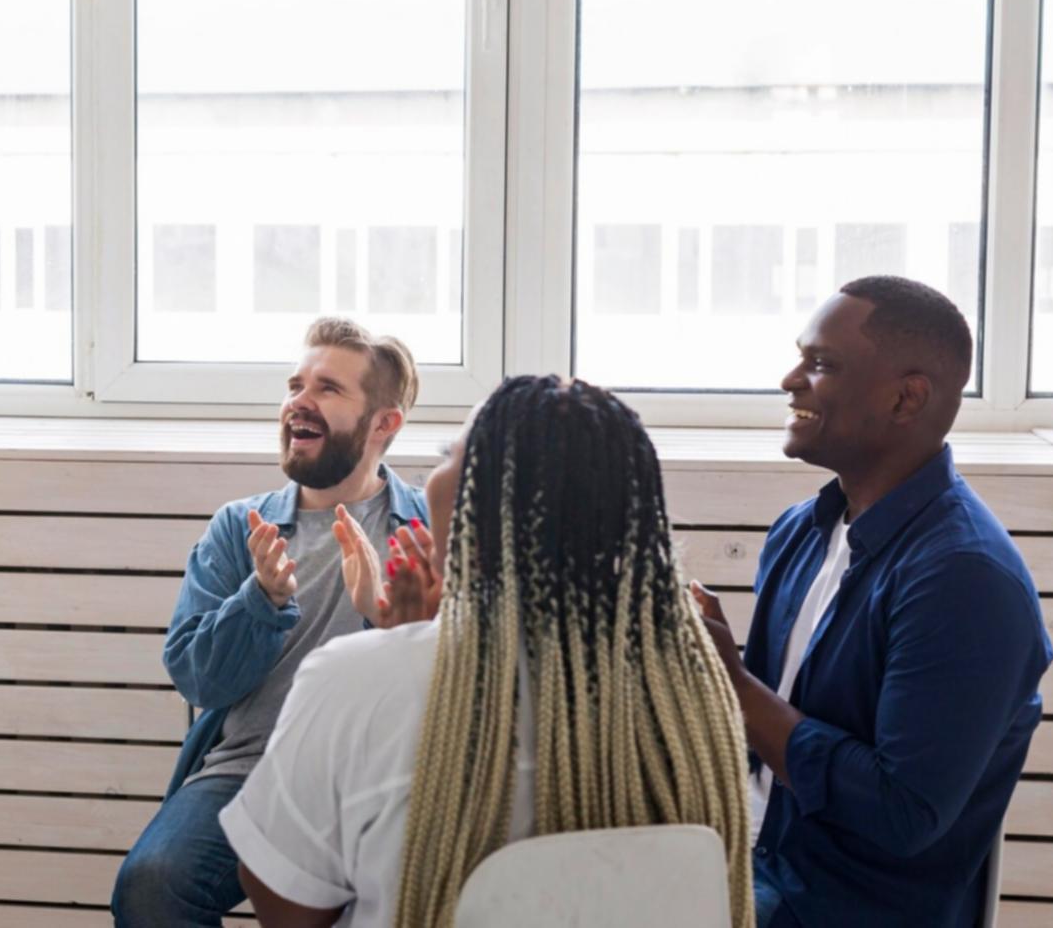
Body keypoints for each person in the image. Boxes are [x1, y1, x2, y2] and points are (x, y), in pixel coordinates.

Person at [219, 375, 754, 927]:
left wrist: (402, 650)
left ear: (485, 502)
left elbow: (287, 907)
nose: (435, 471)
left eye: (451, 453)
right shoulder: (693, 696)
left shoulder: (362, 681)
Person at [689, 276, 1052, 927]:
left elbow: (899, 812)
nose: (790, 379)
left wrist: (736, 687)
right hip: (752, 871)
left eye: (822, 363)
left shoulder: (963, 580)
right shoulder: (801, 529)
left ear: (906, 398)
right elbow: (771, 744)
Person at [111, 318, 429, 927]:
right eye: (295, 384)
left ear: (384, 423)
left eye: (328, 388)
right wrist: (261, 599)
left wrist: (381, 615)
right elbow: (199, 681)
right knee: (153, 886)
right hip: (254, 773)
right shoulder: (241, 527)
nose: (298, 402)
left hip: (386, 778)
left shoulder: (426, 528)